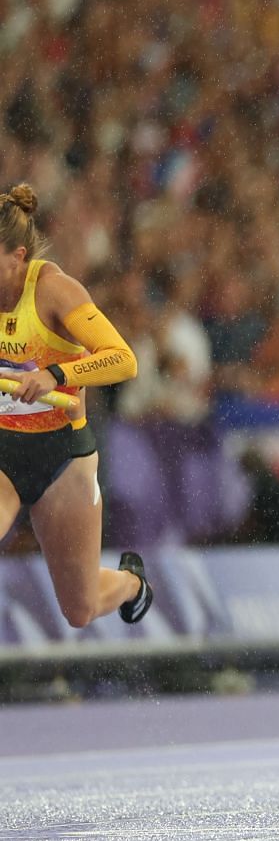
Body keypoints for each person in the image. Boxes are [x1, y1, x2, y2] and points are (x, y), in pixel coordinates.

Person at [0, 183, 152, 628]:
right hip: (3, 454)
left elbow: (123, 360)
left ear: (18, 257)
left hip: (62, 458)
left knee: (80, 610)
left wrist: (55, 376)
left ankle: (131, 583)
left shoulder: (54, 291)